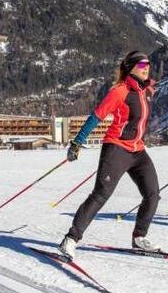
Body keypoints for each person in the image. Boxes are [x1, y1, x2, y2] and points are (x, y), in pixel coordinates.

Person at [58, 51, 161, 259]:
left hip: (138, 150)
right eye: (141, 64)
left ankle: (139, 238)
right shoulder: (120, 91)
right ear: (131, 67)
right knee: (100, 195)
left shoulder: (145, 90)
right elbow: (96, 117)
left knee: (152, 193)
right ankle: (71, 239)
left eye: (148, 64)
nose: (146, 67)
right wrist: (77, 142)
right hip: (116, 148)